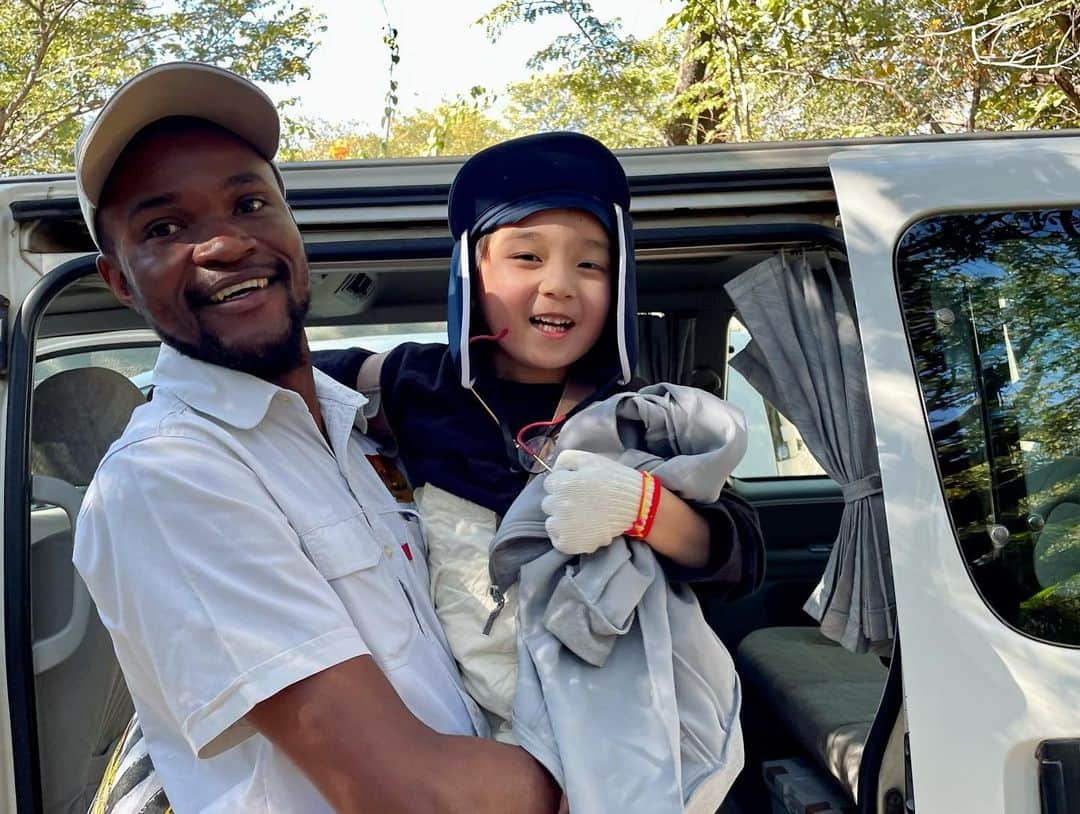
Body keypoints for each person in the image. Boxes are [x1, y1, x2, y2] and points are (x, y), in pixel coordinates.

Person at [72, 62, 564, 814]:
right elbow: (406, 791)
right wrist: (608, 773)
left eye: (249, 202)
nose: (225, 244)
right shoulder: (169, 476)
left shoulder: (358, 430)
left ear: (291, 223)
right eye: (165, 228)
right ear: (119, 281)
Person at [312, 132, 763, 774]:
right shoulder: (416, 384)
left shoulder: (642, 411)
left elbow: (739, 557)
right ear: (474, 274)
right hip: (456, 724)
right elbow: (289, 382)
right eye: (526, 256)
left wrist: (643, 508)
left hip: (615, 722)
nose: (559, 285)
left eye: (591, 264)